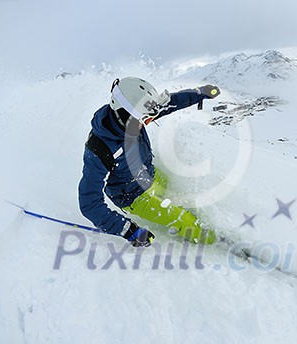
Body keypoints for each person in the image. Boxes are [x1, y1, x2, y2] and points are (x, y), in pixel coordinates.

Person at [78, 77, 221, 247]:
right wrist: (128, 230)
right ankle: (219, 243)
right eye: (144, 120)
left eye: (148, 119)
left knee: (179, 195)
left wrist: (199, 93)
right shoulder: (100, 149)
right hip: (133, 196)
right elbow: (89, 204)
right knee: (185, 221)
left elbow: (171, 104)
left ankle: (192, 219)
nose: (146, 123)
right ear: (123, 113)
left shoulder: (133, 116)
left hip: (149, 175)